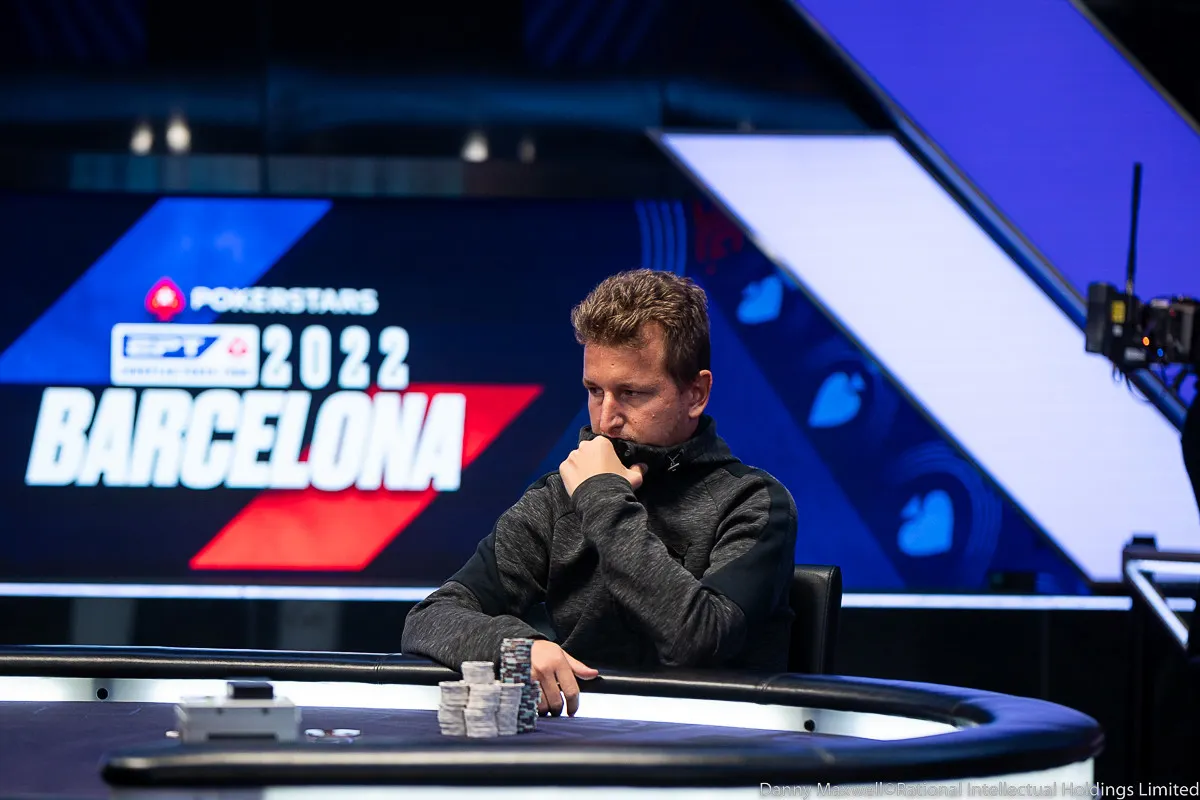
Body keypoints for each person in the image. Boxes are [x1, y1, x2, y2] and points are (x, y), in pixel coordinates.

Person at [401, 269, 798, 716]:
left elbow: (697, 644)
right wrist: (517, 647)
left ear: (696, 393)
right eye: (594, 391)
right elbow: (429, 618)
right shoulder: (558, 497)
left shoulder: (754, 502)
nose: (606, 419)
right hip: (582, 740)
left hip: (715, 745)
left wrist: (603, 497)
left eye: (631, 393)